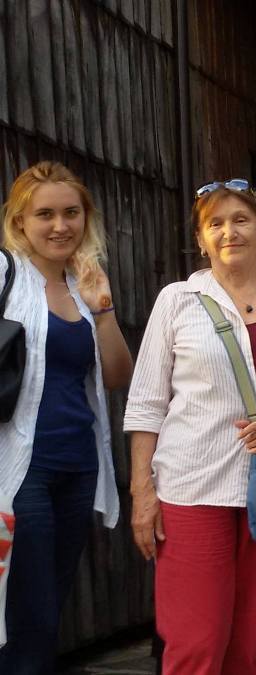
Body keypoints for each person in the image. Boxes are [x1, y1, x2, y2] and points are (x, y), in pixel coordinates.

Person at [123, 179, 256, 674]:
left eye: (240, 220)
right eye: (214, 223)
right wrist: (142, 491)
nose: (229, 232)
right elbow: (146, 403)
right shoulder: (177, 300)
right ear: (201, 240)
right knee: (196, 645)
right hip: (192, 489)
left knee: (246, 645)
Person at [0, 162, 133, 670]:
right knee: (28, 605)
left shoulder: (83, 286)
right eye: (45, 215)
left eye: (71, 213)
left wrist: (103, 309)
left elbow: (115, 375)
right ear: (20, 222)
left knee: (49, 603)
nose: (61, 226)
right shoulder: (6, 275)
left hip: (78, 465)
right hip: (20, 467)